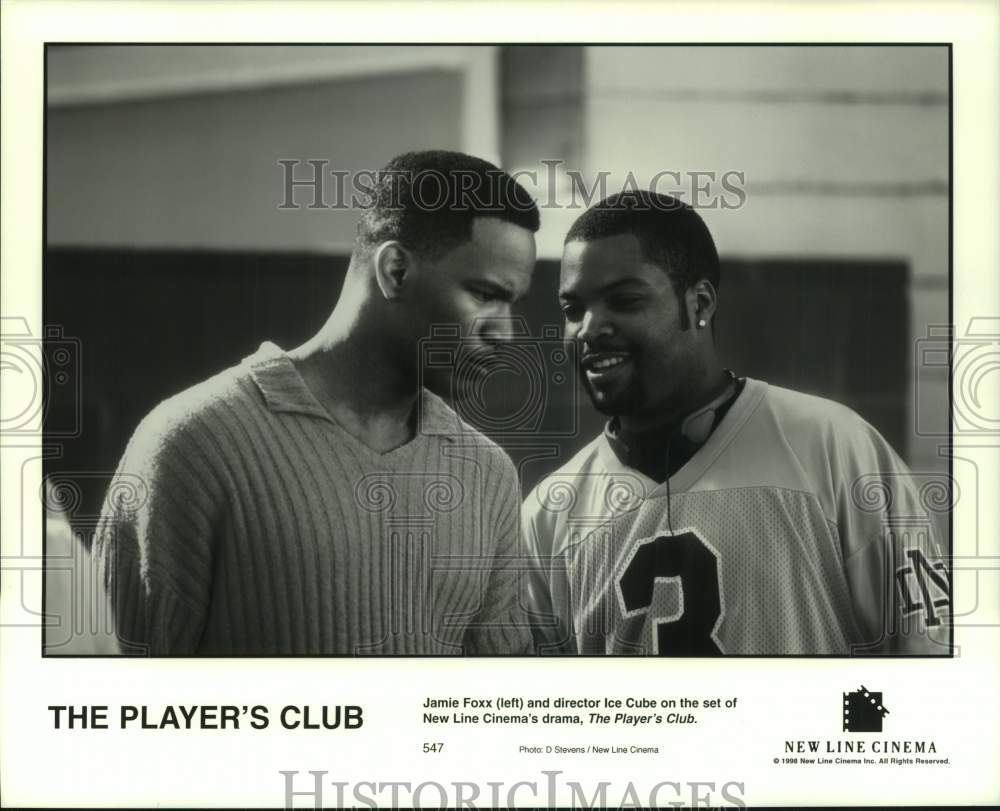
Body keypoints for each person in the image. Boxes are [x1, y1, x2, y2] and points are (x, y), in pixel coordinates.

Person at [96, 150, 540, 655]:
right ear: (395, 270)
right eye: (484, 294)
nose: (505, 332)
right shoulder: (195, 443)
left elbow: (497, 710)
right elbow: (116, 696)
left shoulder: (487, 473)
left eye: (513, 303)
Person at [523, 190, 950, 655]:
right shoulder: (548, 514)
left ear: (700, 304)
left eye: (624, 300)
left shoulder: (834, 446)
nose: (588, 328)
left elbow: (927, 660)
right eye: (572, 310)